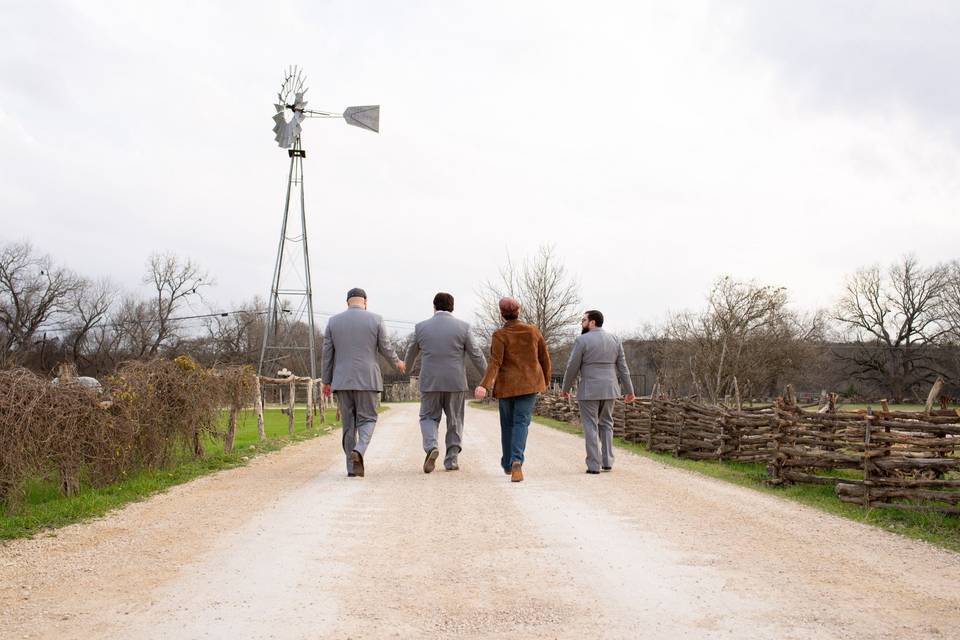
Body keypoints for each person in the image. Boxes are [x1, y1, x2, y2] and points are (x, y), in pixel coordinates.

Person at [321, 287, 405, 477]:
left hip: (342, 381)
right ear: (365, 301)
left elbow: (327, 354)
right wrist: (397, 363)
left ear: (347, 302)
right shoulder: (376, 319)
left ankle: (351, 469)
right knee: (368, 419)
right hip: (368, 380)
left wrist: (326, 381)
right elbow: (386, 347)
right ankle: (359, 449)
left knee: (348, 424)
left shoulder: (333, 322)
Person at [404, 292, 487, 473]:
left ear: (434, 307)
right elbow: (476, 354)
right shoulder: (463, 328)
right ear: (453, 307)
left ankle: (431, 446)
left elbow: (410, 353)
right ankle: (451, 460)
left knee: (427, 417)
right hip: (455, 382)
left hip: (430, 381)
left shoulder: (421, 327)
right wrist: (488, 377)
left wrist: (406, 368)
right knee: (455, 420)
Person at [475, 297, 551, 482]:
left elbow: (495, 362)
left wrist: (483, 385)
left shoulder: (500, 335)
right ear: (519, 312)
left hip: (507, 386)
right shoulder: (533, 331)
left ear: (501, 315)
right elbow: (544, 358)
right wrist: (546, 381)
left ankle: (508, 464)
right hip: (530, 384)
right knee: (521, 423)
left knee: (507, 425)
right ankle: (517, 459)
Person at [560, 310, 635, 474]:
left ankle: (594, 465)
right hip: (610, 388)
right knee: (607, 424)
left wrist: (565, 389)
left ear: (592, 322)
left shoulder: (581, 340)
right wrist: (630, 390)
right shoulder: (615, 339)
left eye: (584, 320)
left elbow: (572, 367)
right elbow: (623, 368)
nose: (582, 323)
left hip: (589, 390)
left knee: (590, 426)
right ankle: (607, 461)